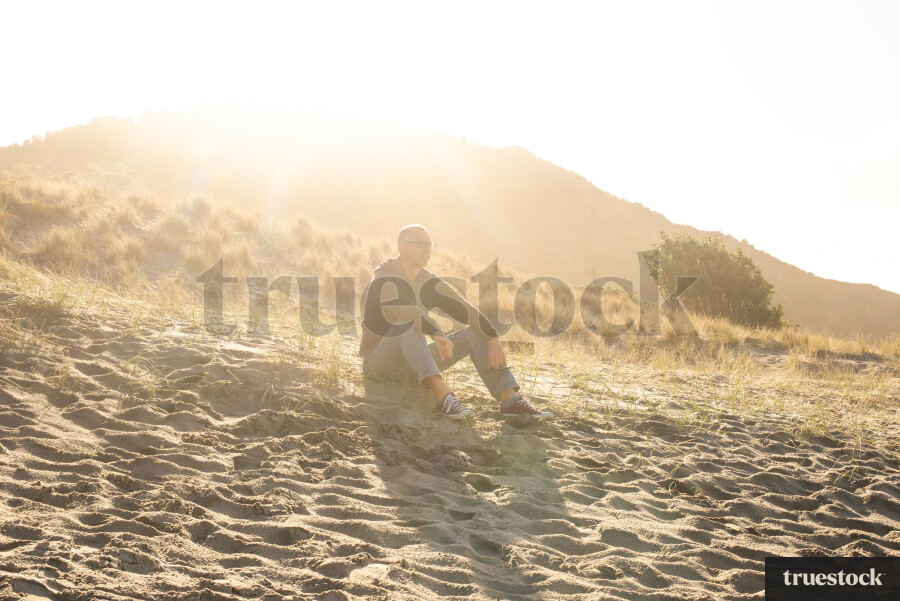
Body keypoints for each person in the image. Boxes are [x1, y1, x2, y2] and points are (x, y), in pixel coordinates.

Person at [359, 224, 553, 421]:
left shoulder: (429, 281)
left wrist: (492, 338)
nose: (427, 249)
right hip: (378, 364)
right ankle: (445, 398)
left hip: (414, 364)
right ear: (403, 247)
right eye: (420, 244)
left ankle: (510, 400)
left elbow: (464, 308)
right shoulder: (384, 275)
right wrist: (436, 332)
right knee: (407, 323)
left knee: (475, 334)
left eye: (430, 244)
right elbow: (399, 308)